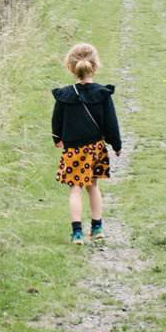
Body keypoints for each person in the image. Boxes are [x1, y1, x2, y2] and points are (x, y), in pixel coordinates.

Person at [52, 40, 122, 245]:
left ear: (71, 66)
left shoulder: (64, 95)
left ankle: (77, 233)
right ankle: (98, 227)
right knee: (93, 186)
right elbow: (111, 122)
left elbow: (56, 120)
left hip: (73, 150)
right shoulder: (102, 94)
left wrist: (57, 138)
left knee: (75, 189)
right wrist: (116, 144)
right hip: (95, 149)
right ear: (95, 65)